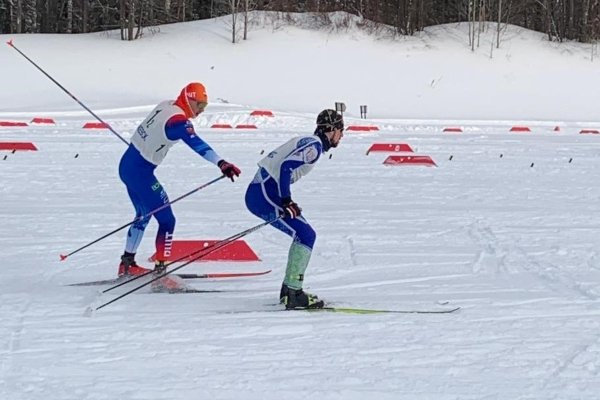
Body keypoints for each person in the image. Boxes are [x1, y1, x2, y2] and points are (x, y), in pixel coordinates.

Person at [118, 82, 241, 277]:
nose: (200, 111)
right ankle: (161, 272)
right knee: (168, 220)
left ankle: (127, 264)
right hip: (141, 173)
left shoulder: (166, 104)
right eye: (199, 105)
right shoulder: (178, 122)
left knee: (144, 214)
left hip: (126, 165)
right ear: (188, 99)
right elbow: (197, 144)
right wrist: (221, 163)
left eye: (204, 107)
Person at [244, 109, 344, 309]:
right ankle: (293, 292)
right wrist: (286, 200)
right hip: (264, 192)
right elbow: (286, 167)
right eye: (341, 131)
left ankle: (289, 290)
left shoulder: (310, 142)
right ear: (331, 130)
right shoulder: (314, 147)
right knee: (306, 234)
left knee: (304, 234)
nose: (342, 136)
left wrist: (285, 200)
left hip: (263, 191)